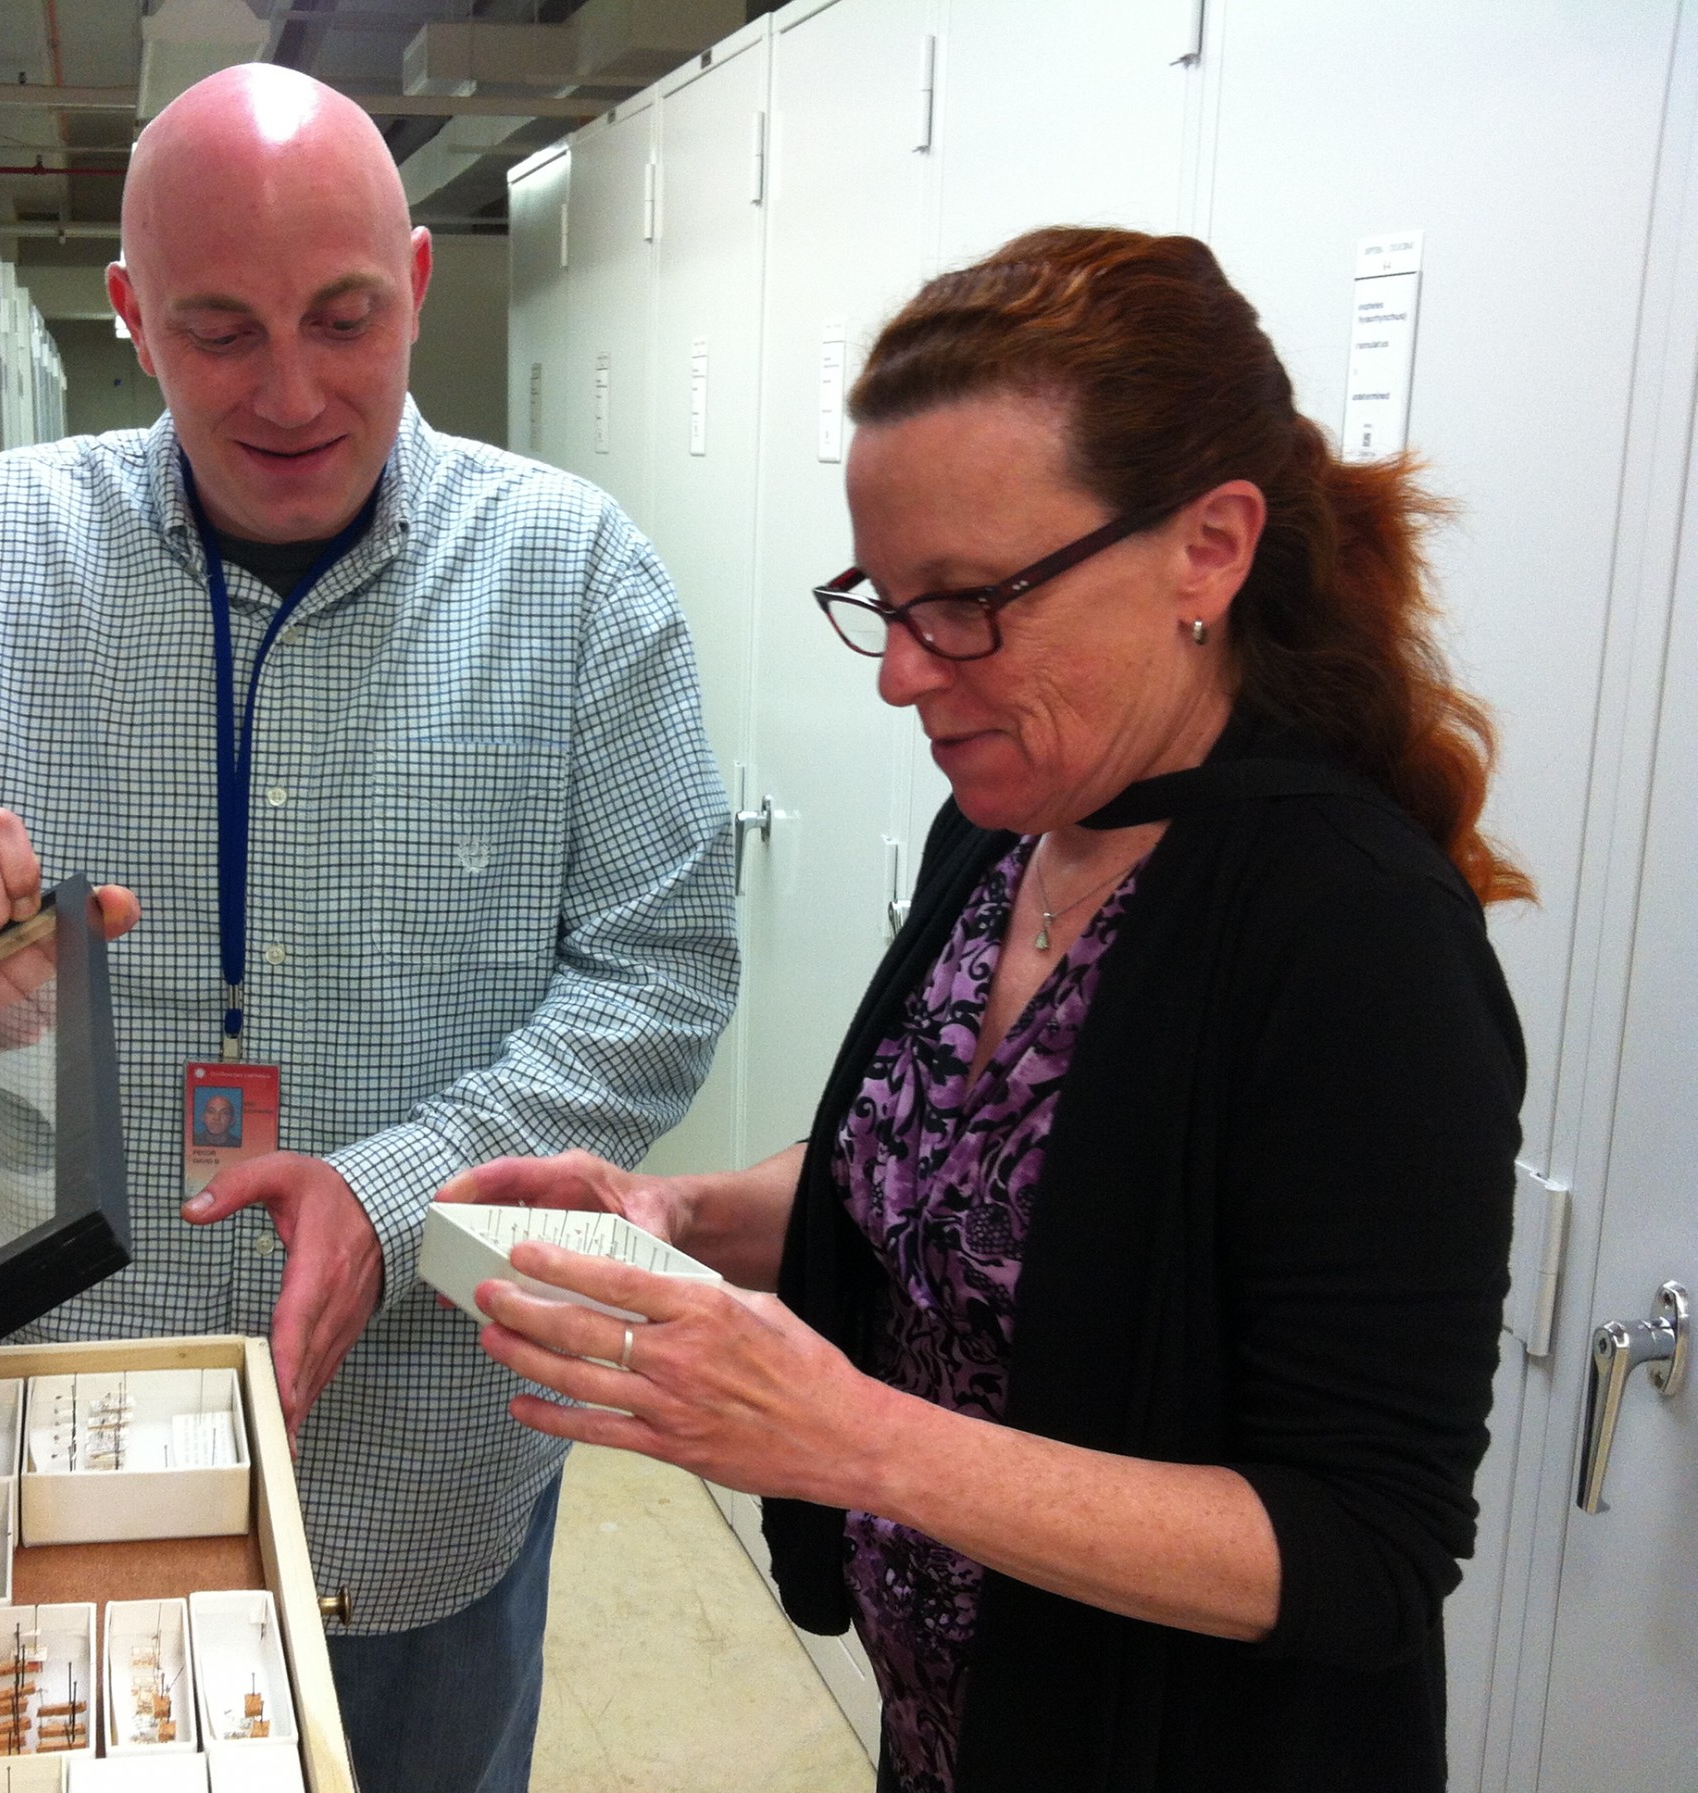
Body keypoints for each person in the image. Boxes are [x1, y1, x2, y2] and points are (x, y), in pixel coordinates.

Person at [0, 64, 737, 1793]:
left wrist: (389, 1181)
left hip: (419, 1462)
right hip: (75, 1426)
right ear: (129, 315)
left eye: (346, 318)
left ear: (419, 281)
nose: (292, 392)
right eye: (220, 332)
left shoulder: (575, 580)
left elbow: (658, 975)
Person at [443, 227, 1526, 1791]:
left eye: (967, 600)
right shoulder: (1013, 824)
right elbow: (947, 1184)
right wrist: (672, 1214)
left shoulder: (1353, 936)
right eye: (881, 600)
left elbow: (1364, 1543)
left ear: (1209, 549)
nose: (901, 673)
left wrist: (849, 1435)